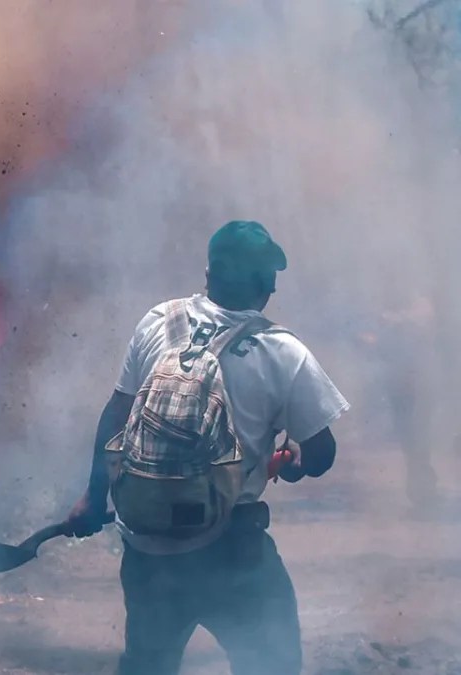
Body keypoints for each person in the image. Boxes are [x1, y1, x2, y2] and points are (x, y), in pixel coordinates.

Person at [63, 221, 350, 675]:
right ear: (266, 285)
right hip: (231, 548)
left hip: (149, 548)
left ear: (209, 273)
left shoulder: (158, 322)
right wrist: (294, 462)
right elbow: (322, 454)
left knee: (147, 666)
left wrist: (92, 499)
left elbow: (115, 416)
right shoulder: (282, 351)